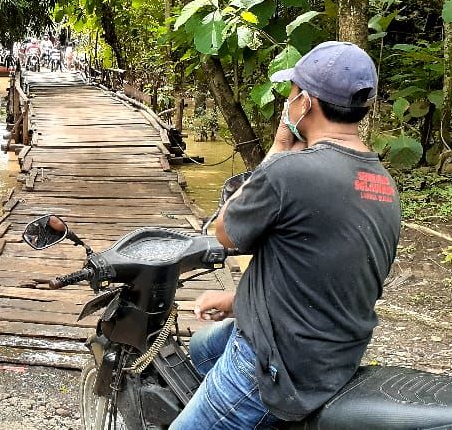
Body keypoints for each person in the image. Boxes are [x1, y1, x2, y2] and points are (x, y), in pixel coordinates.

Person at [171, 42, 401, 428]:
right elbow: (320, 269)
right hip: (332, 354)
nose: (288, 102)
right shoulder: (383, 183)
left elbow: (224, 233)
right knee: (201, 348)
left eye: (292, 93)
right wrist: (237, 300)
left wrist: (278, 148)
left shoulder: (290, 173)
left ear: (306, 104)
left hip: (276, 364)